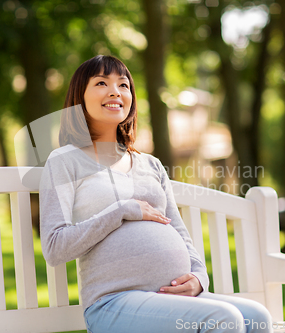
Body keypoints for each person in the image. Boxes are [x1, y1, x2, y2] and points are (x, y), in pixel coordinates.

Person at [39, 55, 272, 333]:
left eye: (123, 85)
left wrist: (198, 278)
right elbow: (54, 248)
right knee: (223, 319)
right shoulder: (65, 160)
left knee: (257, 317)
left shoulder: (150, 164)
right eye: (102, 83)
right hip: (113, 303)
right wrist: (122, 211)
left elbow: (179, 231)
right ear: (80, 96)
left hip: (171, 300)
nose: (115, 91)